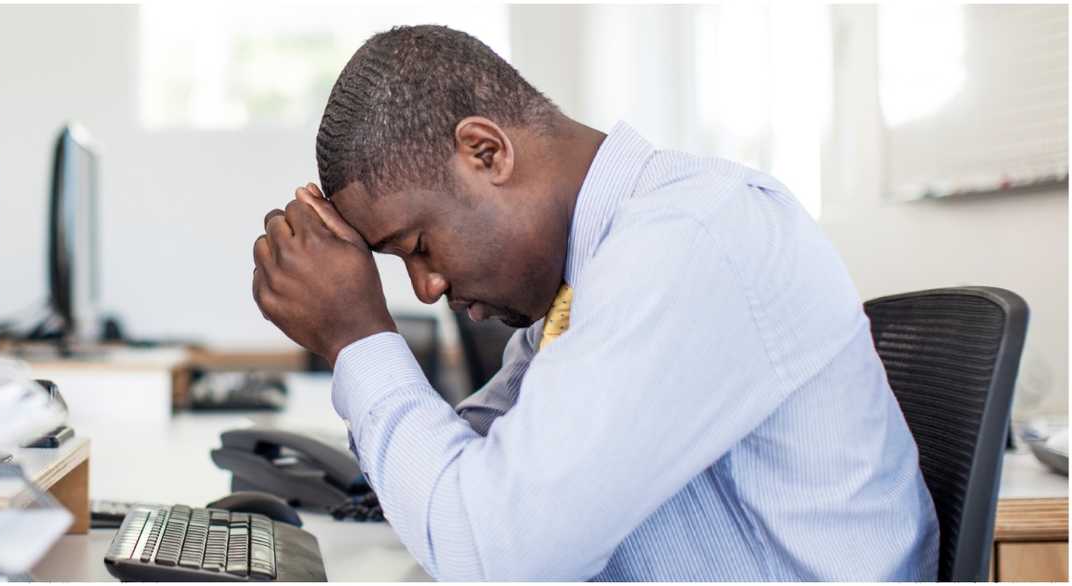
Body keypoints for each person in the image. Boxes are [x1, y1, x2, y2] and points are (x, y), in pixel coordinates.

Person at [251, 25, 939, 581]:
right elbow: (474, 472)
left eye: (419, 246)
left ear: (486, 152)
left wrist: (358, 337)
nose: (425, 287)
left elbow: (494, 554)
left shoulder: (686, 242)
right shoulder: (592, 276)